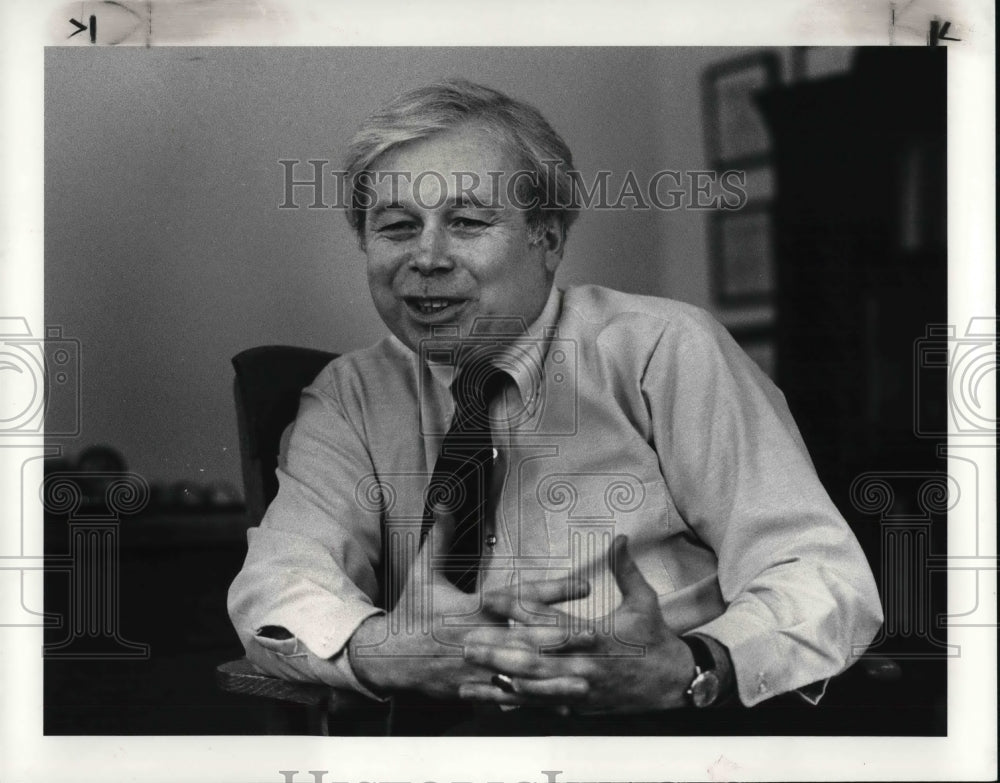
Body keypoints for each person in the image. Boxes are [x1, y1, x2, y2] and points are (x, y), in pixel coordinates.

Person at [228, 79, 883, 734]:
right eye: (397, 228)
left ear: (547, 238)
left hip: (666, 734)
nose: (426, 257)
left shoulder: (663, 350)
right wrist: (386, 649)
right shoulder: (349, 396)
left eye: (466, 222)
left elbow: (823, 575)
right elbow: (281, 583)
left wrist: (692, 664)